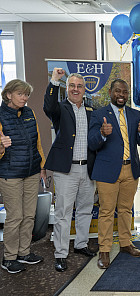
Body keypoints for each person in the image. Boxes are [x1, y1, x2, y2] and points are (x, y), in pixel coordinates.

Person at [88, 78, 140, 269]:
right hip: (107, 171)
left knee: (125, 210)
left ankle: (125, 244)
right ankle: (104, 250)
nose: (121, 95)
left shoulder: (135, 114)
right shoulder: (98, 114)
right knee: (106, 212)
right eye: (117, 91)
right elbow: (92, 143)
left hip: (131, 169)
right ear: (110, 92)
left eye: (124, 92)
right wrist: (103, 134)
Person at [43, 68, 96, 272]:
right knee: (63, 213)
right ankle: (61, 253)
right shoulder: (60, 108)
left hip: (87, 169)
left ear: (84, 89)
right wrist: (55, 81)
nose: (75, 89)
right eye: (72, 85)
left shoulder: (91, 110)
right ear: (67, 88)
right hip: (66, 170)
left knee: (84, 209)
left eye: (79, 86)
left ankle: (81, 244)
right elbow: (48, 107)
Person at [0, 79, 46, 274]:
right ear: (9, 94)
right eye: (20, 94)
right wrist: (2, 145)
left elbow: (38, 143)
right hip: (10, 174)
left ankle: (24, 252)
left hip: (32, 171)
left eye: (26, 95)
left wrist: (42, 166)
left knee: (29, 215)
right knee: (15, 216)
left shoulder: (29, 113)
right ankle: (9, 258)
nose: (24, 98)